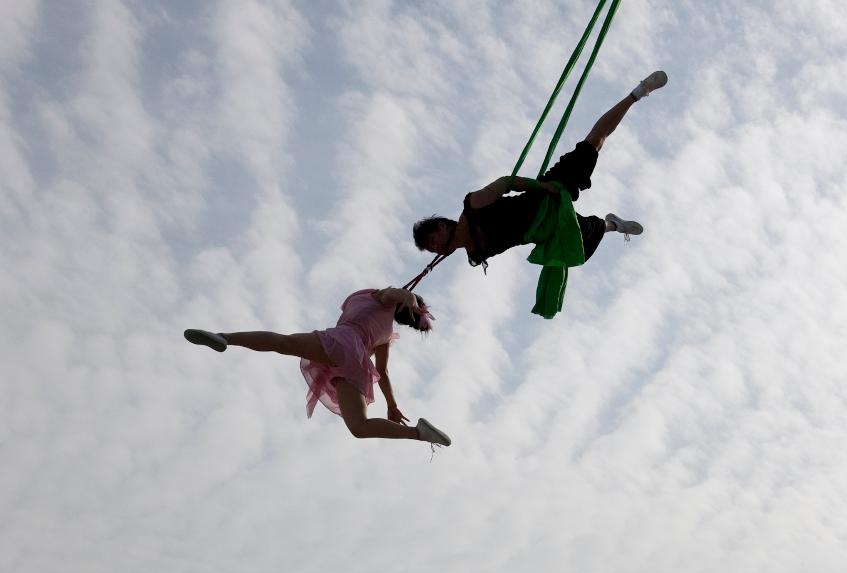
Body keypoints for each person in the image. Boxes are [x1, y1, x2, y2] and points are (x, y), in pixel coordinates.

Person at [412, 71, 668, 274]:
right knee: (588, 238)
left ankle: (639, 91)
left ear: (445, 225)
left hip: (545, 195)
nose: (434, 247)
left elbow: (506, 182)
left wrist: (542, 187)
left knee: (594, 142)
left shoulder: (473, 206)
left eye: (433, 239)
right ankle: (615, 224)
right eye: (431, 248)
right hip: (548, 230)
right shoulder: (475, 254)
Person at [184, 288, 451, 447]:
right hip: (354, 366)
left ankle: (225, 338)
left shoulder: (380, 298)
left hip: (342, 343)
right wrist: (392, 405)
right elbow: (384, 372)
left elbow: (396, 293)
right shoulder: (385, 330)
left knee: (283, 342)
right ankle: (418, 433)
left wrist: (409, 299)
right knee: (359, 427)